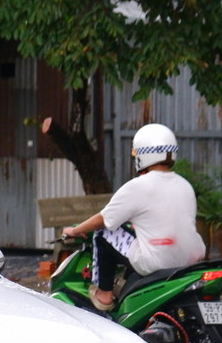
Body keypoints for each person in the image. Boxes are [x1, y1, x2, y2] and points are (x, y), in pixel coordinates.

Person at [61, 123, 205, 312]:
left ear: (142, 155)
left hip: (157, 261)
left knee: (102, 233)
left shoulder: (138, 186)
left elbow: (104, 219)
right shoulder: (185, 185)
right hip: (191, 260)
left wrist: (75, 230)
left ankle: (104, 294)